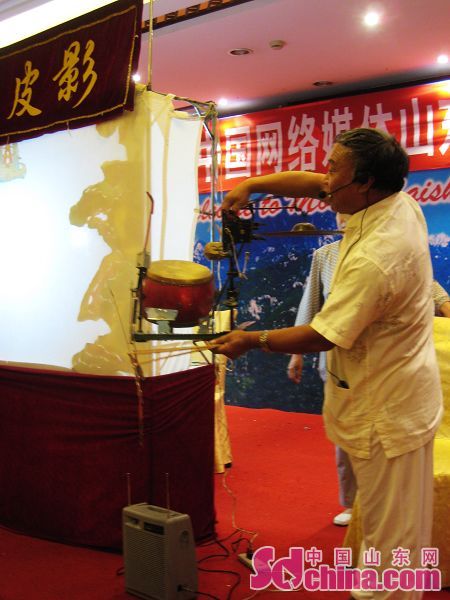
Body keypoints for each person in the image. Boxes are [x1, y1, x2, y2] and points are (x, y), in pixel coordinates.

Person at [212, 128, 443, 600]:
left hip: (387, 410)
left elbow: (323, 333)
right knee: (387, 525)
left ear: (364, 183)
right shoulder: (393, 200)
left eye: (334, 168)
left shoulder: (378, 256)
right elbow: (315, 184)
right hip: (393, 396)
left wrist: (251, 340)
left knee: (391, 540)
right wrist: (253, 185)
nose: (325, 177)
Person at [288, 221, 357, 527]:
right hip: (336, 358)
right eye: (340, 213)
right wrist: (297, 352)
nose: (345, 218)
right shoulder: (325, 255)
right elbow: (311, 304)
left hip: (382, 361)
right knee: (344, 435)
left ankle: (384, 501)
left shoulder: (388, 249)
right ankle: (352, 503)